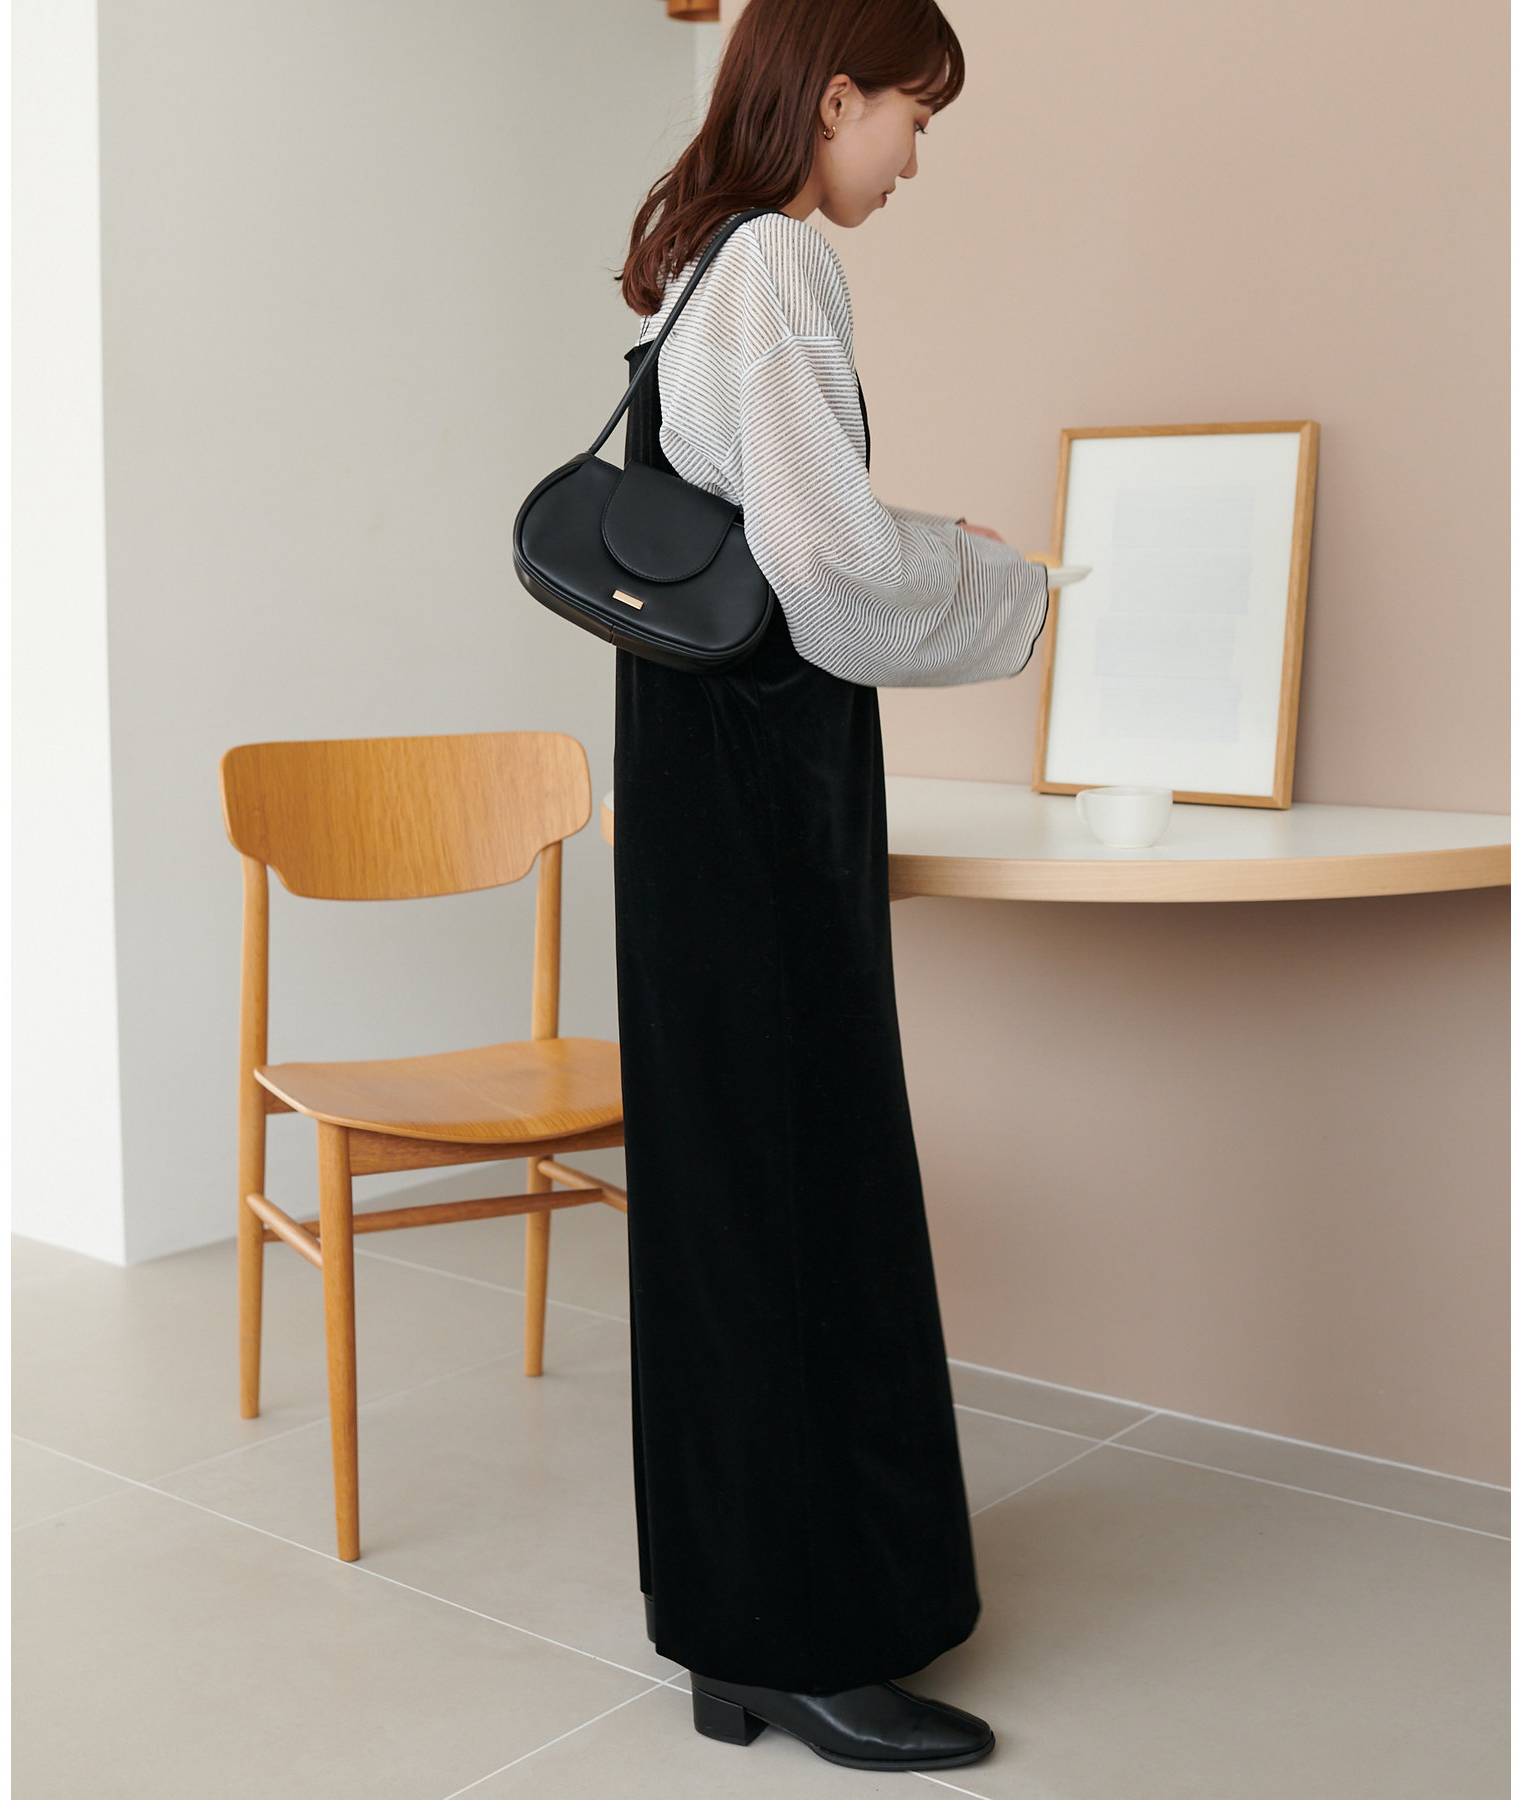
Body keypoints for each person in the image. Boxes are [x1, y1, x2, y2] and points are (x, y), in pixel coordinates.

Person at [612, 0, 1047, 1773]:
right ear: (835, 96)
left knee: (730, 1195)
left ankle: (736, 1628)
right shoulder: (784, 262)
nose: (914, 159)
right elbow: (824, 558)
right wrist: (997, 581)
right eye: (910, 120)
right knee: (809, 1183)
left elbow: (764, 519)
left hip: (686, 766)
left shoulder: (695, 265)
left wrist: (903, 545)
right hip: (767, 781)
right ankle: (808, 1644)